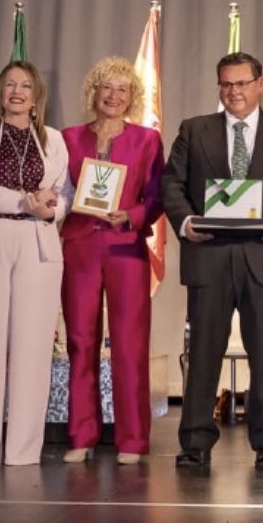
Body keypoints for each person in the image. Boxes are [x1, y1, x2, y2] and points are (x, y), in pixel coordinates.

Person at [161, 52, 263, 468]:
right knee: (204, 352)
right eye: (226, 84)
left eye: (242, 83)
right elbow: (171, 182)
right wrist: (186, 220)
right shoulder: (195, 130)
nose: (234, 92)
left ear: (260, 83)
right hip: (209, 255)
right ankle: (195, 442)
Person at [0, 61, 67, 466]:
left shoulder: (54, 140)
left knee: (33, 351)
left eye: (25, 86)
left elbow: (64, 192)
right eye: (9, 85)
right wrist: (26, 201)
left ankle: (23, 453)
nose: (17, 92)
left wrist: (50, 211)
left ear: (37, 97)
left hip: (38, 245)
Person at [59, 56, 166, 464]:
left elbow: (157, 197)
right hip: (81, 246)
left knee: (130, 345)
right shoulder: (68, 138)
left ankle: (133, 440)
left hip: (126, 247)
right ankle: (82, 435)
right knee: (81, 342)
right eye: (107, 87)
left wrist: (134, 216)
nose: (114, 96)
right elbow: (60, 189)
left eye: (123, 89)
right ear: (93, 92)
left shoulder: (147, 140)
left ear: (132, 97)